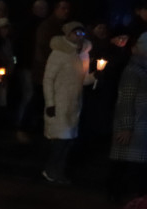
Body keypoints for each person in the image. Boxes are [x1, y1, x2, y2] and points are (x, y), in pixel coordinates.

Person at [43, 21, 95, 184]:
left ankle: (59, 171)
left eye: (81, 33)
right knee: (60, 139)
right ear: (67, 34)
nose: (79, 37)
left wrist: (95, 75)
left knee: (68, 140)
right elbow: (48, 79)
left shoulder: (83, 53)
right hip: (60, 102)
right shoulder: (59, 53)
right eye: (75, 33)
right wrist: (50, 103)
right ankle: (51, 170)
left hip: (74, 103)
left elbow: (83, 80)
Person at [108, 32, 147, 202]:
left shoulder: (142, 69)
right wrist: (126, 126)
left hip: (140, 124)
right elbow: (126, 99)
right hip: (134, 125)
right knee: (125, 163)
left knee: (131, 163)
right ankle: (117, 195)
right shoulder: (133, 70)